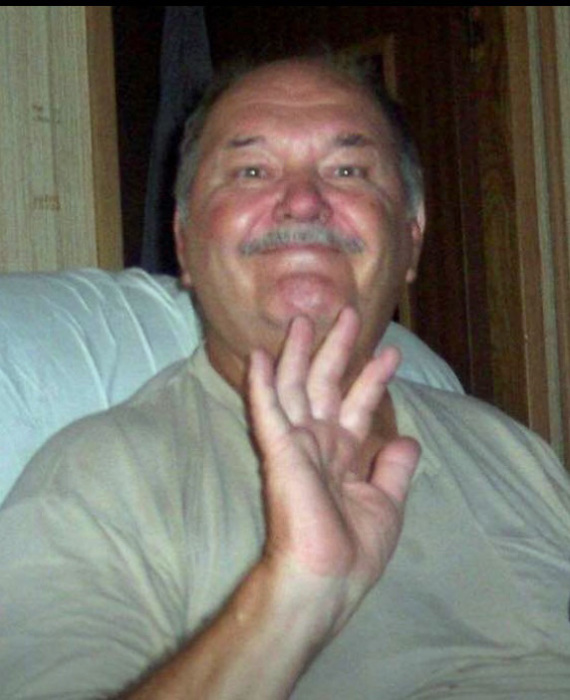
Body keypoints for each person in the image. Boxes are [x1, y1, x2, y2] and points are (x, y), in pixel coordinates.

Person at [1, 56, 570, 700]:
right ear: (184, 243)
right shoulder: (96, 482)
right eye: (251, 171)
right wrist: (294, 597)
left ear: (411, 239)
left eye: (348, 170)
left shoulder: (512, 452)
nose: (303, 201)